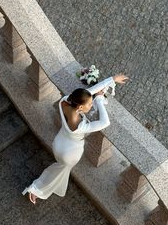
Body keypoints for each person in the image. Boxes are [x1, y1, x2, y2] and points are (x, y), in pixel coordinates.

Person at [22, 74, 128, 204]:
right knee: (59, 172)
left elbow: (87, 93)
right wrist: (99, 100)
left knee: (58, 170)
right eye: (89, 104)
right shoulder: (80, 126)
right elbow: (105, 122)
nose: (91, 105)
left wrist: (111, 80)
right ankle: (37, 189)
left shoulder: (65, 101)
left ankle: (38, 189)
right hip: (70, 153)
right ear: (80, 108)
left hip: (59, 143)